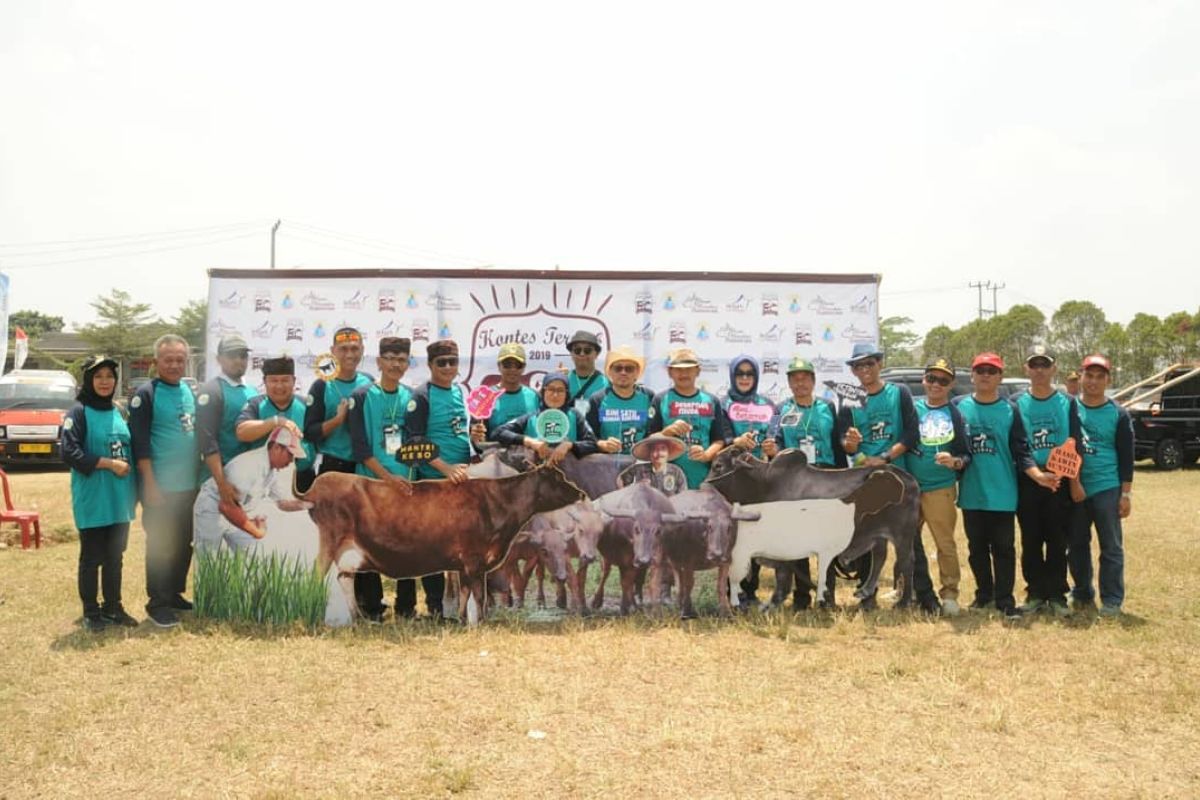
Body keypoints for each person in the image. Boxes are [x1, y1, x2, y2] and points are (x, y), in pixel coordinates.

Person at [954, 352, 1060, 618]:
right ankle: (983, 595)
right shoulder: (958, 406)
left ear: (1000, 376)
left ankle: (1004, 599)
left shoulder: (1010, 410)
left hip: (1003, 493)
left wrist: (1038, 476)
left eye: (992, 371)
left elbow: (1022, 450)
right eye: (981, 371)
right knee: (976, 549)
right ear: (972, 375)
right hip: (971, 493)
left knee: (1003, 549)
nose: (986, 376)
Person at [837, 341, 938, 612]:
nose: (865, 369)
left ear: (879, 364)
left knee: (908, 541)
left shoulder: (899, 392)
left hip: (897, 479)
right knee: (867, 538)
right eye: (859, 365)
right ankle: (868, 596)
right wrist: (852, 444)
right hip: (865, 479)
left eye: (869, 363)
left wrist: (884, 458)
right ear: (854, 371)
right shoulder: (849, 399)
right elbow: (843, 442)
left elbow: (911, 433)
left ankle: (922, 596)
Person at [751, 357, 846, 609]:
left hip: (825, 477)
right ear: (789, 383)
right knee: (799, 541)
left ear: (813, 381)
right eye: (795, 378)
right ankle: (802, 596)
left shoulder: (827, 406)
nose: (800, 382)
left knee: (827, 541)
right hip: (796, 481)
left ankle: (827, 596)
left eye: (805, 377)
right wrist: (772, 449)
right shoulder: (781, 409)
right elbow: (775, 441)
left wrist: (843, 481)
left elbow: (837, 445)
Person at [349, 337, 427, 621]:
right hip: (371, 484)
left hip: (407, 484)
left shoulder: (414, 397)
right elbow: (360, 448)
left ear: (407, 364)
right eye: (390, 358)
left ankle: (406, 606)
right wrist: (386, 478)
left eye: (402, 359)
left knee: (407, 543)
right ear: (379, 361)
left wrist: (402, 479)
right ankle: (372, 606)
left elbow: (418, 441)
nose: (396, 364)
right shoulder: (360, 397)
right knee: (370, 544)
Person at [62, 355, 139, 631]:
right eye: (98, 377)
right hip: (94, 498)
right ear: (88, 381)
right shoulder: (78, 412)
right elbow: (69, 452)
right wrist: (109, 464)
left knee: (114, 557)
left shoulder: (118, 411)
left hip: (119, 499)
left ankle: (113, 607)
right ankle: (91, 612)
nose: (105, 382)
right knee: (92, 557)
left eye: (109, 376)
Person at [129, 334, 198, 628]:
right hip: (160, 488)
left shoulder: (189, 391)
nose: (174, 365)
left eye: (179, 360)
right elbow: (140, 445)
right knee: (161, 545)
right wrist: (150, 485)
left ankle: (173, 594)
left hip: (189, 486)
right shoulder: (145, 395)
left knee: (184, 544)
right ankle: (157, 602)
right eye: (168, 360)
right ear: (156, 362)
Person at [402, 339, 474, 618]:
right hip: (434, 481)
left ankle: (457, 603)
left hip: (462, 481)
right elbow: (413, 442)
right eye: (441, 362)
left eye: (452, 362)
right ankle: (434, 605)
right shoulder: (421, 396)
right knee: (433, 545)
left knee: (460, 544)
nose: (447, 367)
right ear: (430, 365)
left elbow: (458, 432)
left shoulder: (459, 392)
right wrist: (444, 468)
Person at [1013, 347, 1081, 617]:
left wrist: (1070, 480)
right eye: (1034, 365)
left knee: (1057, 539)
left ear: (1054, 369)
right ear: (1026, 369)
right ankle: (1035, 593)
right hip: (1030, 478)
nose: (1039, 370)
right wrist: (1037, 475)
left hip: (1059, 477)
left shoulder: (1067, 401)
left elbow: (1074, 441)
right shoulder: (1016, 402)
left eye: (1045, 365)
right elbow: (1018, 445)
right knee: (1030, 539)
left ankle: (1057, 595)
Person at [902, 357, 972, 616]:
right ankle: (905, 589)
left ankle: (950, 594)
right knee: (905, 542)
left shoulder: (955, 414)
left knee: (944, 544)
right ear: (924, 380)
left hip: (939, 489)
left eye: (942, 380)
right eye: (931, 378)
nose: (936, 384)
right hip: (910, 488)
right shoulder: (912, 409)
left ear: (951, 384)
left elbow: (966, 455)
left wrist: (954, 462)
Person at [1068, 354, 1134, 617]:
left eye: (1099, 376)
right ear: (1081, 377)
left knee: (1111, 546)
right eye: (1089, 375)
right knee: (1077, 544)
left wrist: (1125, 494)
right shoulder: (1070, 409)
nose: (1093, 381)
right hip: (1077, 487)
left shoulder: (1118, 414)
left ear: (1108, 380)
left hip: (1107, 487)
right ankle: (1083, 592)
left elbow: (1126, 457)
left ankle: (1112, 599)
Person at [192, 427, 309, 553]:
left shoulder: (272, 470)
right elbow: (226, 507)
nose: (291, 460)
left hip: (235, 512)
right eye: (290, 454)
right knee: (209, 562)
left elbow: (282, 503)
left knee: (256, 557)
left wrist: (309, 504)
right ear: (276, 447)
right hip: (212, 510)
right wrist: (257, 531)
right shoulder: (249, 467)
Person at [194, 335, 257, 549]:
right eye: (232, 356)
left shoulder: (252, 392)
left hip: (243, 489)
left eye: (242, 356)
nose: (238, 361)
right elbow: (207, 441)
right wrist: (222, 485)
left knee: (250, 560)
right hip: (216, 486)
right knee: (210, 562)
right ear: (220, 359)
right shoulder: (212, 391)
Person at [647, 347, 733, 489]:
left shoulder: (712, 400)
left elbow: (718, 440)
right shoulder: (659, 399)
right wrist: (666, 433)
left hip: (703, 479)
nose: (684, 374)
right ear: (670, 372)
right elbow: (649, 440)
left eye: (688, 369)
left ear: (698, 371)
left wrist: (706, 455)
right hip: (666, 481)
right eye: (678, 369)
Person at [303, 327, 374, 477]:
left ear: (362, 350)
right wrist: (337, 420)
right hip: (333, 466)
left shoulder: (370, 383)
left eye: (354, 349)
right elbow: (310, 433)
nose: (349, 354)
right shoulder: (321, 386)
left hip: (365, 466)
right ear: (333, 351)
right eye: (343, 349)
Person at [234, 355, 314, 486]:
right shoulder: (255, 404)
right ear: (264, 382)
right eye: (274, 380)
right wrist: (275, 422)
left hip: (302, 478)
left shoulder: (306, 405)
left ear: (294, 381)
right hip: (261, 479)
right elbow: (241, 432)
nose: (279, 386)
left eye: (285, 380)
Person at [495, 373, 599, 464]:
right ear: (543, 391)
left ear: (567, 394)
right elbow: (498, 432)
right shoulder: (532, 417)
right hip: (535, 477)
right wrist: (529, 441)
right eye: (550, 389)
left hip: (569, 477)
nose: (555, 395)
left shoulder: (575, 415)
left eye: (560, 390)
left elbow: (592, 443)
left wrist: (569, 445)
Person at [587, 344, 656, 455]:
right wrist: (602, 444)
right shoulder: (597, 399)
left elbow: (655, 432)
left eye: (629, 369)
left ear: (637, 372)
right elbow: (587, 437)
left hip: (640, 464)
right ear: (610, 372)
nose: (623, 372)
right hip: (607, 466)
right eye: (618, 368)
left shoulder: (649, 397)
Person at [475, 342, 539, 443]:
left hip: (530, 454)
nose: (512, 369)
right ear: (499, 366)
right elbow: (479, 443)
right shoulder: (484, 399)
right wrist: (477, 439)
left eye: (518, 365)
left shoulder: (535, 397)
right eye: (507, 365)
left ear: (524, 367)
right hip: (496, 456)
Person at [723, 355, 774, 459]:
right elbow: (719, 441)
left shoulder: (768, 404)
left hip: (763, 468)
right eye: (739, 373)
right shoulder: (723, 405)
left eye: (750, 374)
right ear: (732, 376)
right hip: (734, 468)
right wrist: (736, 442)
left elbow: (775, 436)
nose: (744, 378)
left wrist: (772, 447)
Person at [616, 433, 687, 495]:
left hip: (669, 509)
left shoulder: (676, 472)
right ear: (650, 454)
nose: (659, 453)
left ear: (668, 452)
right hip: (644, 509)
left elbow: (682, 496)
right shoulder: (638, 469)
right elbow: (620, 479)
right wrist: (634, 489)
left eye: (663, 449)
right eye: (655, 450)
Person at [565, 330, 610, 417]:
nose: (582, 354)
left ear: (596, 354)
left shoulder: (605, 383)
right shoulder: (564, 381)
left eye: (587, 350)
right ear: (571, 354)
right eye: (577, 350)